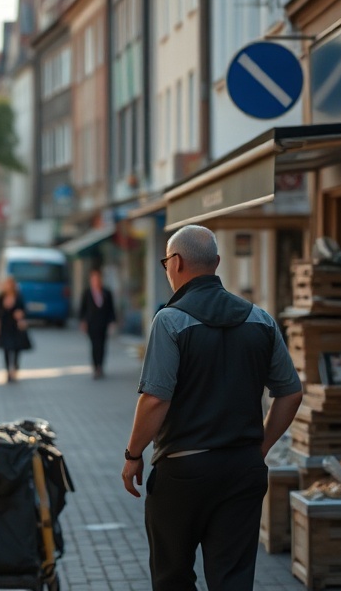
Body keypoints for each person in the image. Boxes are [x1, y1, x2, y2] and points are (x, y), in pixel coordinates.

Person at [122, 225, 303, 591]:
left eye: (165, 262)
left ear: (176, 262)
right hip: (242, 470)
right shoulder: (260, 319)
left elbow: (156, 398)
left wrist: (133, 454)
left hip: (182, 470)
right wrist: (261, 447)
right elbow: (291, 393)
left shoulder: (170, 320)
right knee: (233, 579)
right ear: (217, 263)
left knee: (173, 576)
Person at [78, 267, 116, 378]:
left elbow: (111, 309)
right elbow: (82, 309)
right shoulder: (87, 293)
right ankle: (95, 367)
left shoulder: (106, 292)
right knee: (94, 345)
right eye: (94, 279)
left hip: (103, 323)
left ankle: (101, 366)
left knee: (102, 345)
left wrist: (112, 321)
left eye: (98, 278)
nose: (96, 281)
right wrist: (83, 322)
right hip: (92, 324)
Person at [0, 276, 29, 383]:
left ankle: (15, 369)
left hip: (16, 327)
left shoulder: (18, 297)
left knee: (17, 349)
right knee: (6, 349)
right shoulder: (1, 297)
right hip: (5, 327)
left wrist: (20, 315)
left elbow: (24, 311)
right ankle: (8, 371)